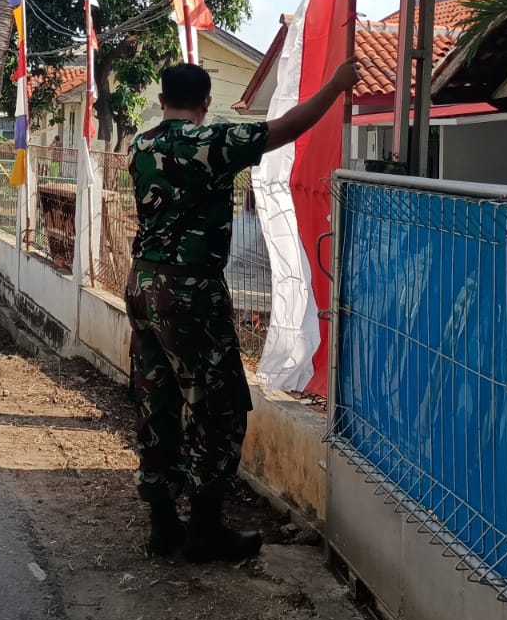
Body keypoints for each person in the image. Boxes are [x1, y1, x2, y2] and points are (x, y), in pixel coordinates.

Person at [127, 58, 359, 562]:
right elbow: (286, 128)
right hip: (189, 293)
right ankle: (205, 527)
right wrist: (336, 85)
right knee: (222, 406)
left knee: (157, 400)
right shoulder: (211, 143)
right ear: (206, 103)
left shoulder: (139, 146)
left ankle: (162, 524)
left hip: (142, 283)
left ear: (163, 98)